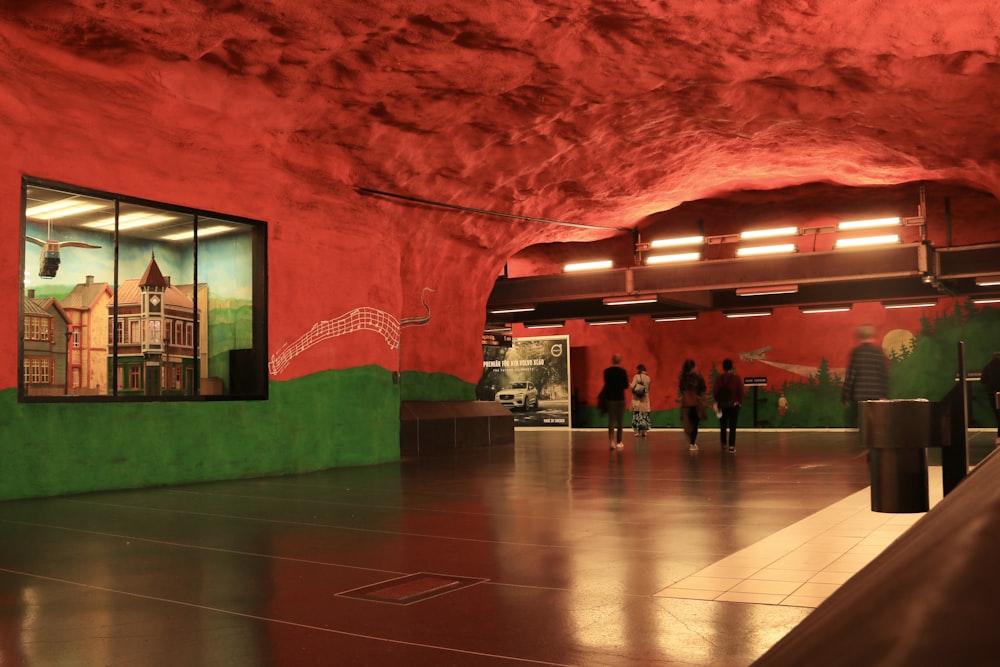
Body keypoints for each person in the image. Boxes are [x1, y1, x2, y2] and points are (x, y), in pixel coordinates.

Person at [841, 324, 889, 427]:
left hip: (860, 395)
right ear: (873, 335)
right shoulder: (878, 352)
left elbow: (851, 375)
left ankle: (862, 442)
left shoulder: (857, 352)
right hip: (877, 394)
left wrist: (845, 396)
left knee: (862, 424)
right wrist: (884, 394)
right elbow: (884, 375)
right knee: (875, 425)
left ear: (859, 336)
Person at [713, 358, 744, 453]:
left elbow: (715, 392)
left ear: (723, 367)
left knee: (723, 425)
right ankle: (731, 446)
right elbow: (740, 392)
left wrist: (718, 401)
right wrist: (738, 402)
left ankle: (723, 443)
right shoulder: (736, 378)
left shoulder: (719, 378)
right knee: (732, 425)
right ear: (731, 367)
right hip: (733, 405)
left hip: (722, 405)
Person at [602, 354, 630, 449]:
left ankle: (611, 442)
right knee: (620, 421)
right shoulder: (623, 372)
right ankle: (619, 442)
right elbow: (626, 386)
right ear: (619, 361)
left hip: (610, 399)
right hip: (620, 399)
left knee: (611, 421)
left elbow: (606, 383)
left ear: (612, 360)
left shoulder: (607, 372)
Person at [678, 359, 707, 451]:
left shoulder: (682, 378)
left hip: (686, 403)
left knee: (687, 422)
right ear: (692, 368)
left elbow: (681, 389)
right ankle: (692, 442)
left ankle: (691, 439)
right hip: (696, 403)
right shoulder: (698, 377)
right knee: (695, 423)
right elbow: (703, 388)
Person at [980, 352, 1000, 447]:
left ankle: (999, 438)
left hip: (991, 393)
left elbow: (983, 380)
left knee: (998, 415)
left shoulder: (988, 365)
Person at [630, 364, 652, 437]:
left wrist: (630, 385)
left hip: (637, 399)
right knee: (644, 415)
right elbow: (648, 389)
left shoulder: (636, 377)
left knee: (637, 415)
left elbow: (633, 387)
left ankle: (637, 432)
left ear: (639, 369)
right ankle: (644, 432)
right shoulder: (648, 378)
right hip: (645, 399)